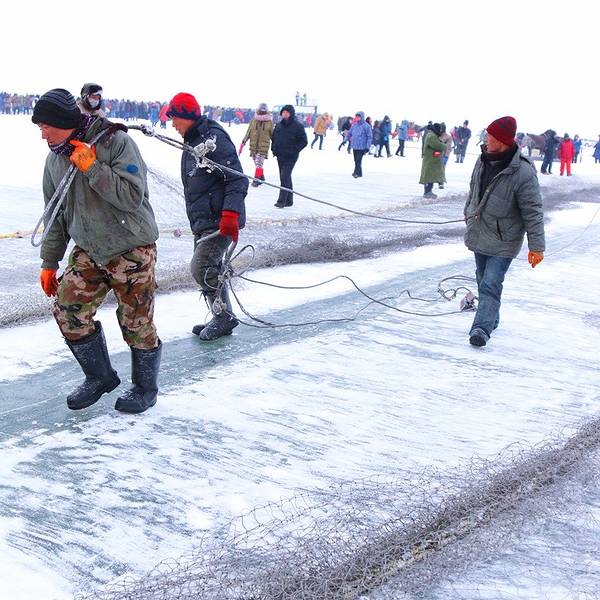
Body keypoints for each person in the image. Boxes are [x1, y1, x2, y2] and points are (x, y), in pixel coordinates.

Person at [32, 88, 161, 413]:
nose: (43, 134)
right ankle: (100, 377)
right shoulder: (54, 160)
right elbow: (55, 214)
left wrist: (93, 168)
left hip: (131, 246)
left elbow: (132, 197)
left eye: (46, 126)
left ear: (64, 122)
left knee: (136, 322)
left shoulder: (115, 142)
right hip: (90, 248)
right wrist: (49, 261)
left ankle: (145, 388)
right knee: (68, 310)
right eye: (40, 127)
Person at [166, 92, 248, 339]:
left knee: (201, 267)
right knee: (210, 267)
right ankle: (222, 315)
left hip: (220, 220)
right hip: (205, 219)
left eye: (175, 118)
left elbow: (237, 179)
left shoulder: (213, 138)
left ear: (186, 116)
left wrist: (230, 213)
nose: (173, 124)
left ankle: (223, 318)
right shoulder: (194, 139)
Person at [463, 116, 545, 347]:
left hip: (505, 239)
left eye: (490, 136)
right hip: (480, 231)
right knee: (483, 280)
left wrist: (537, 247)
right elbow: (473, 190)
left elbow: (533, 211)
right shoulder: (482, 159)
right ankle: (492, 318)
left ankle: (481, 329)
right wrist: (468, 211)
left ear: (501, 140)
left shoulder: (523, 172)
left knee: (491, 283)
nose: (486, 139)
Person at [271, 104, 308, 207]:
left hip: (291, 156)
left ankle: (281, 201)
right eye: (283, 112)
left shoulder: (297, 126)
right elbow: (274, 138)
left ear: (291, 114)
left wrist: (294, 150)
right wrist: (274, 149)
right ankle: (289, 200)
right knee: (285, 177)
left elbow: (304, 141)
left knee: (284, 176)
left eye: (287, 112)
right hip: (280, 155)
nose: (285, 114)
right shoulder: (279, 125)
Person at [240, 102, 273, 187]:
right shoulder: (253, 121)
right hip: (253, 147)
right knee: (257, 163)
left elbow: (273, 135)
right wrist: (243, 142)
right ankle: (261, 177)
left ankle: (257, 179)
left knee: (258, 163)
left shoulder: (269, 122)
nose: (262, 110)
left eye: (264, 109)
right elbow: (248, 132)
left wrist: (275, 146)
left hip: (263, 147)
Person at [419, 122, 447, 198]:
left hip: (432, 160)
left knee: (431, 177)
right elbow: (437, 145)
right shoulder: (431, 136)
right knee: (429, 177)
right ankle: (427, 192)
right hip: (430, 160)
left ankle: (429, 191)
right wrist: (445, 146)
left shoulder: (432, 135)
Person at [348, 111, 372, 178]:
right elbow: (349, 133)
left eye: (358, 116)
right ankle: (360, 173)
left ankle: (356, 173)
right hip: (355, 146)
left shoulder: (366, 126)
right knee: (356, 160)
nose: (357, 117)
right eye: (356, 116)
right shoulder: (354, 125)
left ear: (362, 117)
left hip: (362, 147)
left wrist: (367, 147)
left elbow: (369, 137)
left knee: (358, 160)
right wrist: (344, 140)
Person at [438, 122, 453, 189]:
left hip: (444, 155)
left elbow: (448, 147)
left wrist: (446, 156)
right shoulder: (438, 135)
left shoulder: (448, 137)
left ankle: (441, 182)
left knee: (442, 169)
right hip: (437, 155)